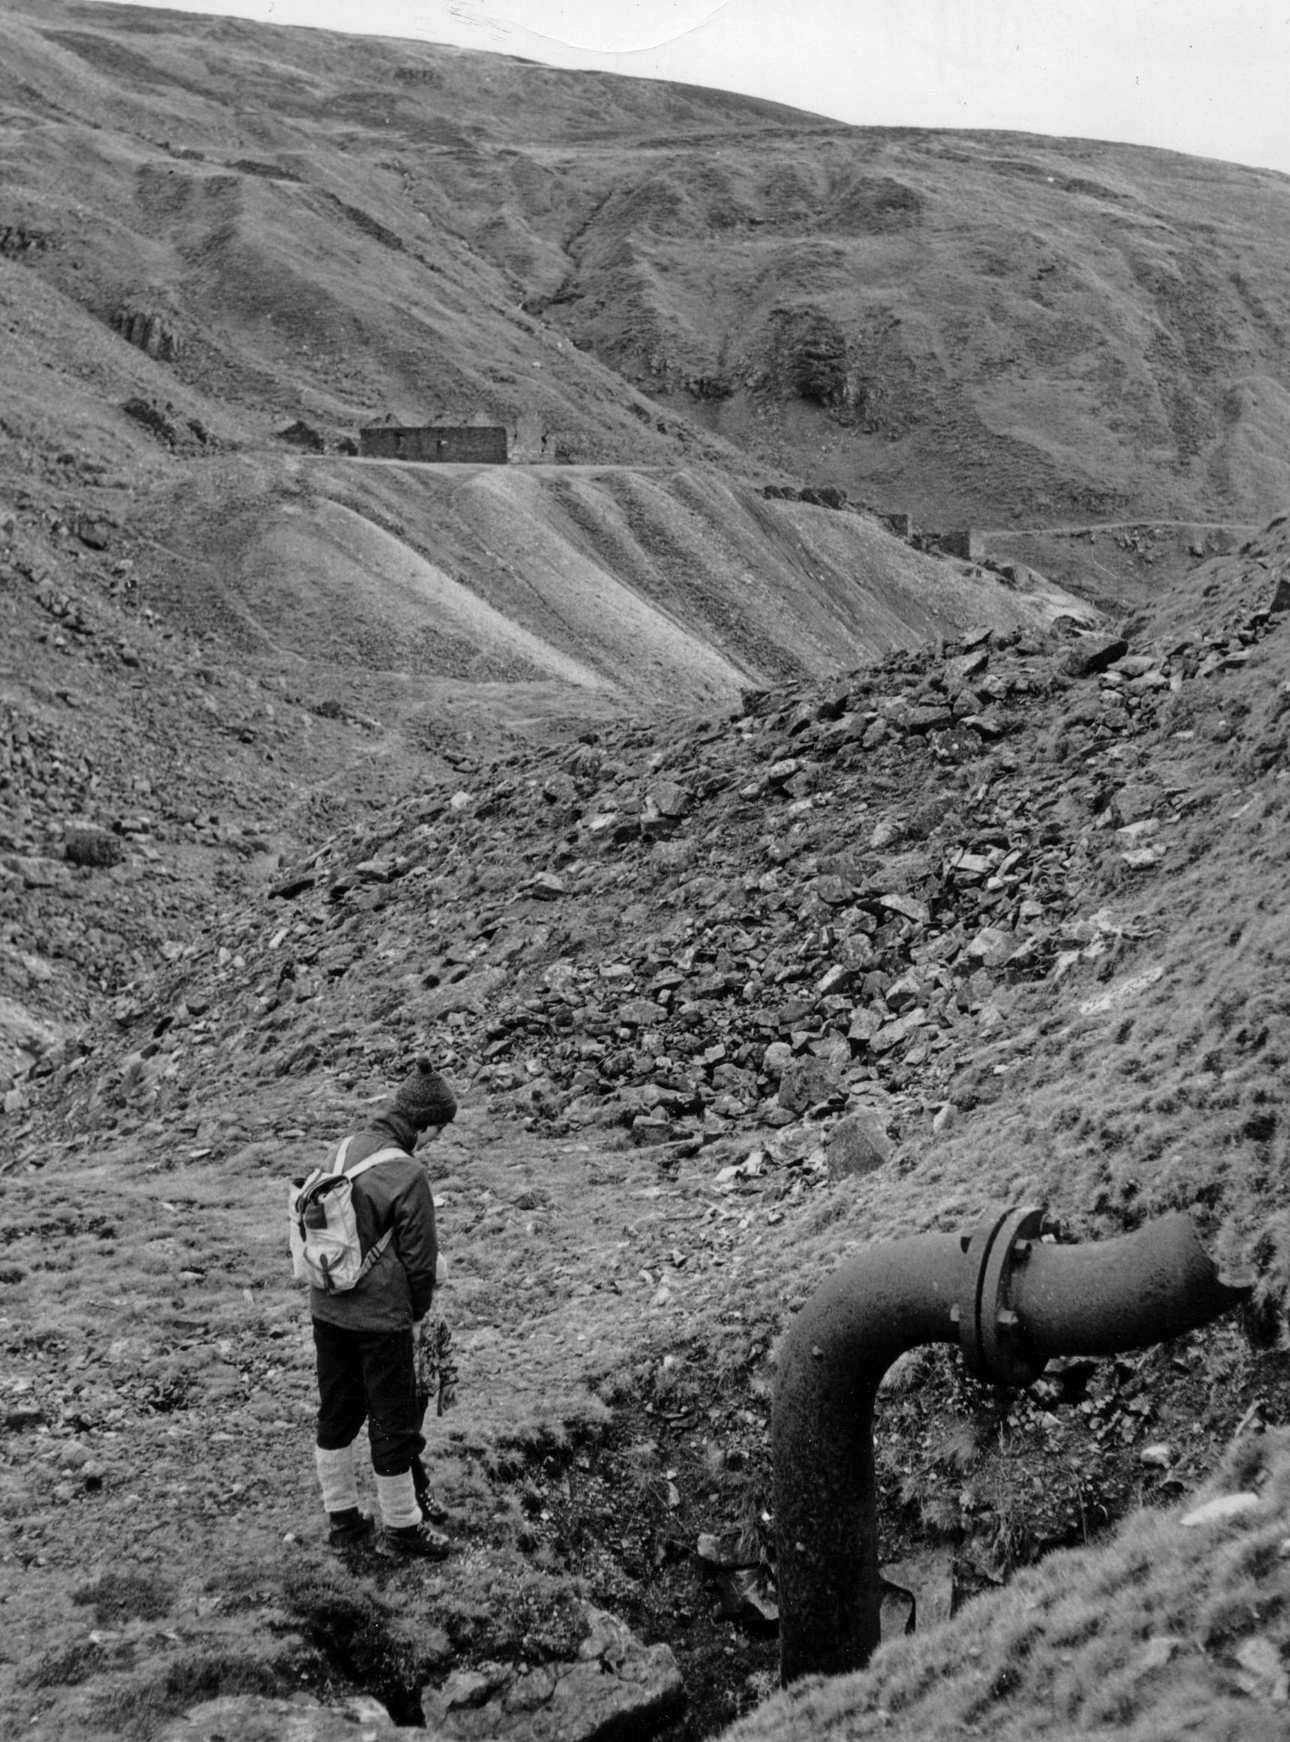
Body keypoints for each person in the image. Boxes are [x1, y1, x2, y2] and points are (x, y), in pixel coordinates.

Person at [310, 1057, 457, 1557]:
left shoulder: (342, 1148)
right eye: (439, 1129)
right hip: (381, 1319)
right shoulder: (407, 1172)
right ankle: (401, 1529)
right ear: (427, 1124)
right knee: (392, 1420)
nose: (436, 1139)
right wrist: (415, 1313)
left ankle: (344, 1522)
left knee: (337, 1411)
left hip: (327, 1307)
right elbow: (420, 1261)